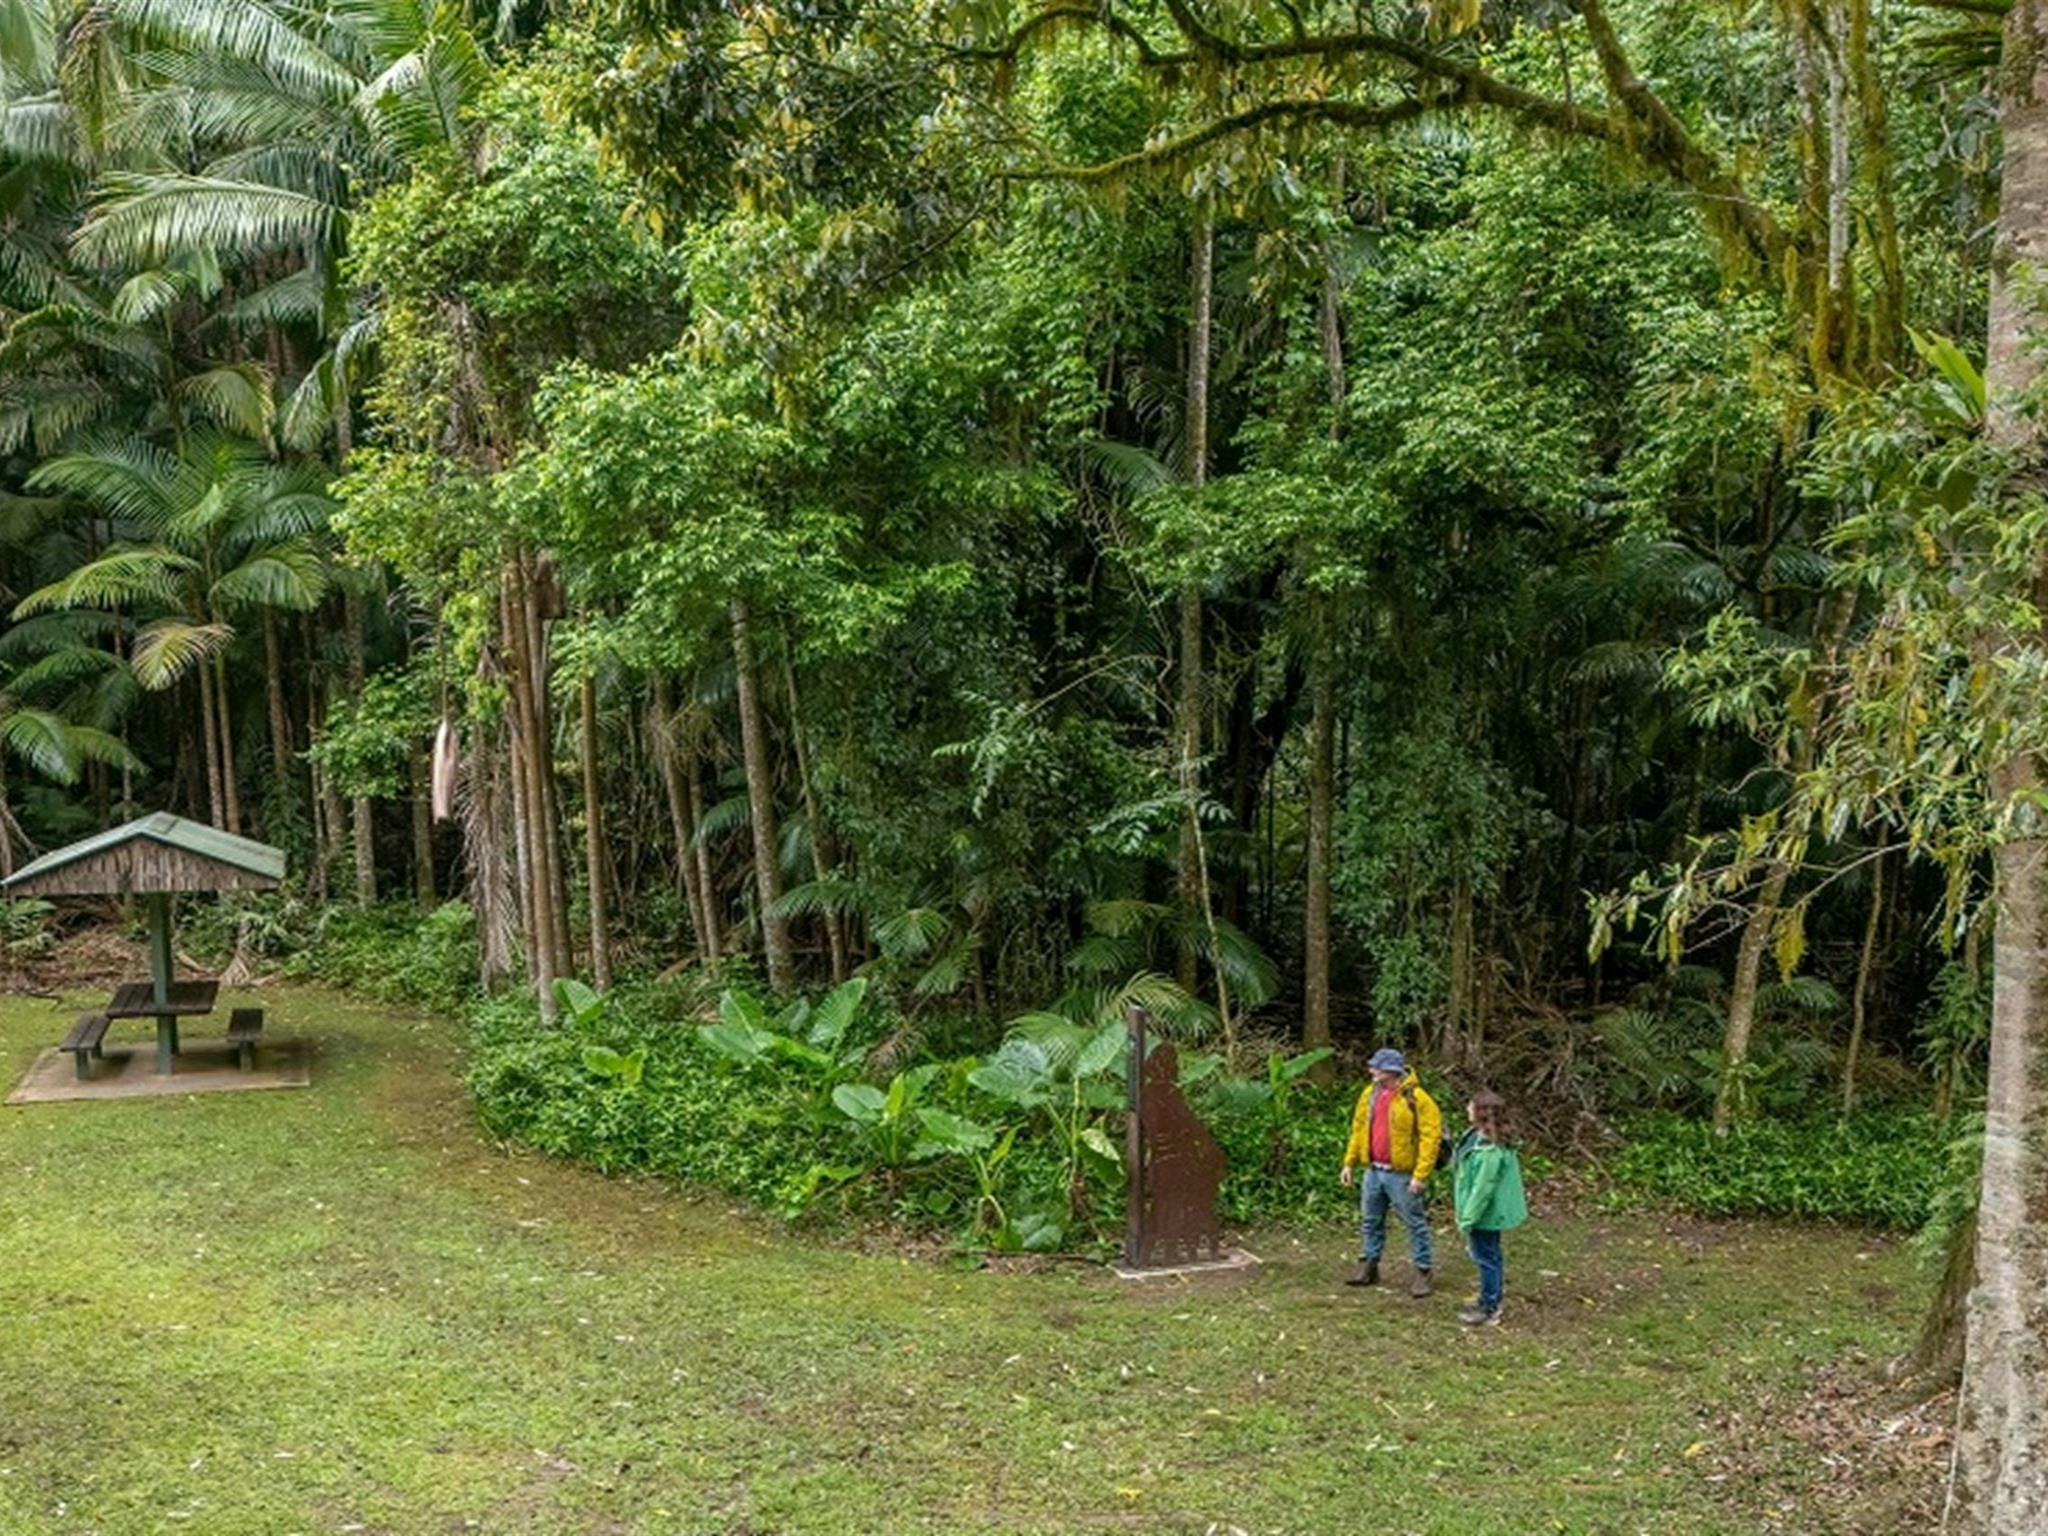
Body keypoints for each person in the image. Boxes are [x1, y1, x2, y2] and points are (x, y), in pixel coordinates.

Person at [1339, 1047, 1443, 1296]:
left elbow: (1431, 1138)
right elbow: (1358, 1129)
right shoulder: (1370, 1094)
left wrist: (1420, 1175)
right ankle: (1369, 1265)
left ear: (1391, 1070)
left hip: (1402, 1174)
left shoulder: (1417, 1098)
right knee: (1370, 1221)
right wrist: (1349, 1163)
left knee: (1414, 1223)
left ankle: (1423, 1270)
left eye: (1376, 1066)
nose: (1371, 1070)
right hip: (1373, 1170)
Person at [1452, 1090, 1528, 1327]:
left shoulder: (1490, 1151)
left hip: (1486, 1213)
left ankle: (1490, 1307)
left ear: (1481, 1113)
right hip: (1484, 1212)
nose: (1467, 1109)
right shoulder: (1479, 1137)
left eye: (1470, 1106)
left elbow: (1482, 1189)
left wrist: (1467, 1219)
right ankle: (1487, 1298)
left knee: (1486, 1257)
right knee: (1487, 1254)